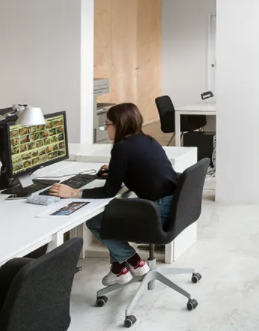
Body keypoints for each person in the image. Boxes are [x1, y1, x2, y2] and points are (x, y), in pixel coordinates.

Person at [49, 103, 179, 286]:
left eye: (107, 124)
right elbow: (143, 168)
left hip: (158, 211)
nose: (106, 129)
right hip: (172, 205)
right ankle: (119, 270)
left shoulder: (122, 149)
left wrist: (73, 192)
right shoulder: (148, 139)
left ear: (119, 125)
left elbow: (108, 191)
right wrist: (117, 171)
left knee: (96, 221)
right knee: (113, 212)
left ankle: (134, 261)